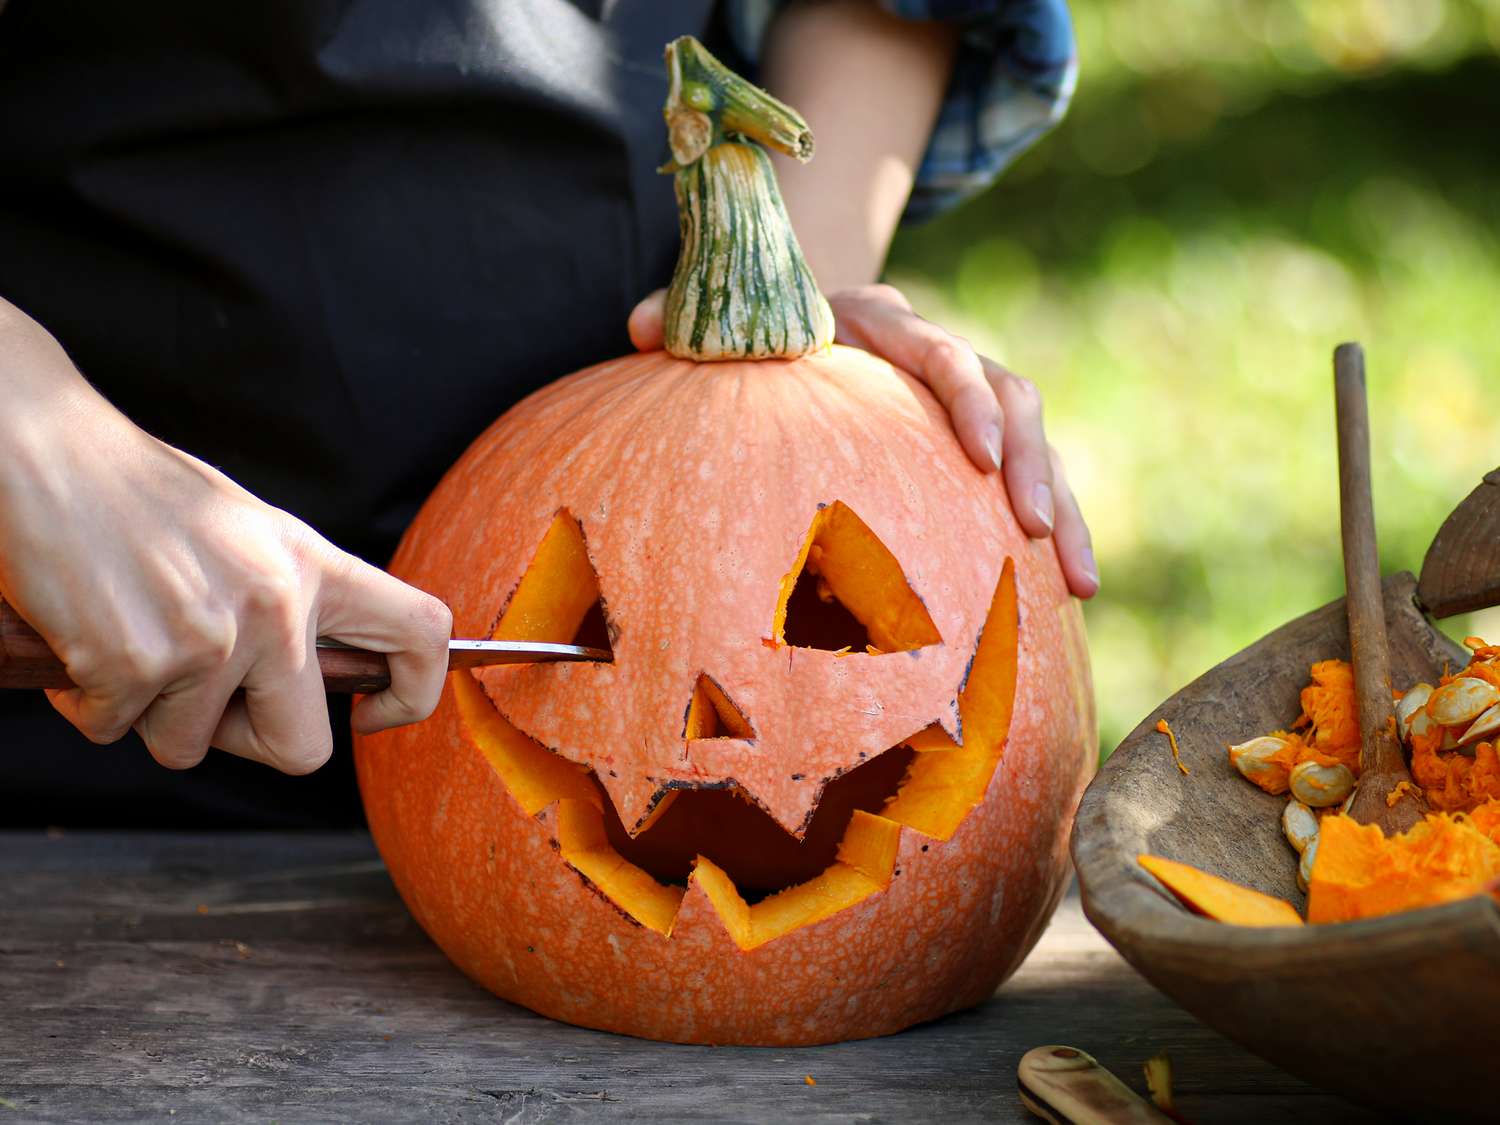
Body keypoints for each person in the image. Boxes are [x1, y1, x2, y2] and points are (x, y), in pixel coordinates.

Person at [0, 0, 1096, 828]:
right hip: (58, 709)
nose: (720, 715)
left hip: (572, 523)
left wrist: (783, 327)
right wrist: (41, 441)